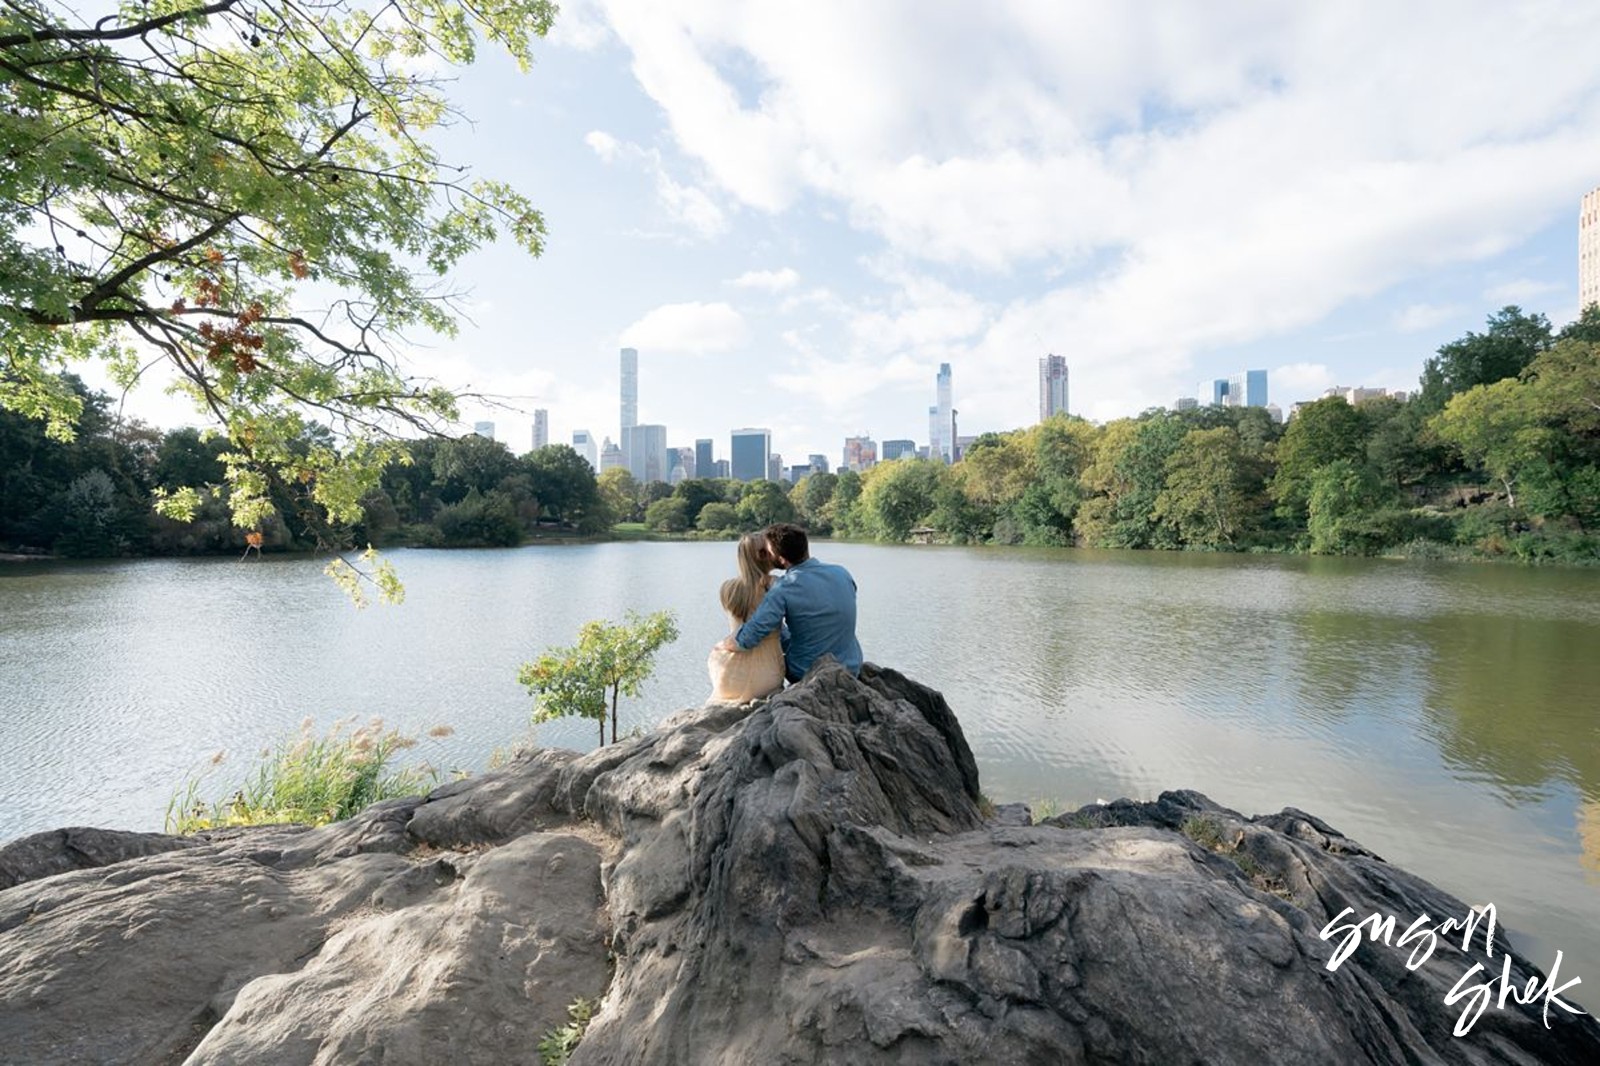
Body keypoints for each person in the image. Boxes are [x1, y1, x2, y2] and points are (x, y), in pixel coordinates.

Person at [716, 522, 862, 682]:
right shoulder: (842, 573)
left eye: (768, 552)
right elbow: (819, 616)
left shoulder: (784, 588)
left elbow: (748, 637)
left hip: (807, 673)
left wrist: (726, 644)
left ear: (781, 559)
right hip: (852, 667)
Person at [706, 532, 786, 703]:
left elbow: (738, 632)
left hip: (731, 674)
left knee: (717, 652)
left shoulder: (730, 588)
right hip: (768, 675)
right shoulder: (776, 585)